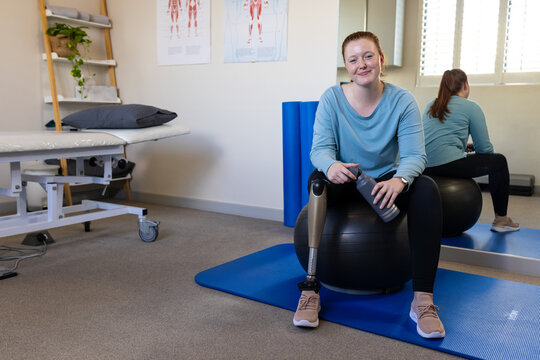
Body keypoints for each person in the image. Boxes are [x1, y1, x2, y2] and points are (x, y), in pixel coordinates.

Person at [293, 31, 445, 339]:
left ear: (381, 59)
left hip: (386, 181)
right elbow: (319, 149)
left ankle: (423, 301)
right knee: (316, 180)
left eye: (368, 56)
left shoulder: (401, 100)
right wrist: (332, 165)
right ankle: (310, 288)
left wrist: (400, 180)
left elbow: (416, 155)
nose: (361, 64)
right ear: (346, 66)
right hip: (347, 178)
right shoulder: (331, 98)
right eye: (353, 59)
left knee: (427, 188)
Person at [422, 69, 519, 233]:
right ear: (465, 85)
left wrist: (462, 147)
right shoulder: (471, 107)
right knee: (499, 161)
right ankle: (501, 219)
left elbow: (435, 141)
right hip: (449, 165)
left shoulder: (431, 105)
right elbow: (485, 149)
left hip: (425, 166)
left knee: (469, 156)